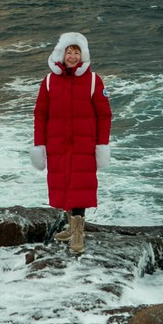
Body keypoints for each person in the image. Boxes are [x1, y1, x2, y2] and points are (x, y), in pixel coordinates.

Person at [30, 32, 112, 254]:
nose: (73, 56)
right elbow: (40, 115)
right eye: (69, 51)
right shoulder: (49, 81)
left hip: (83, 145)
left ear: (82, 55)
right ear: (61, 53)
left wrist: (102, 145)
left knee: (79, 186)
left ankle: (78, 233)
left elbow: (104, 115)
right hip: (57, 144)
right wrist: (40, 145)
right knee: (64, 185)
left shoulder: (94, 80)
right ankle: (70, 225)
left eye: (77, 52)